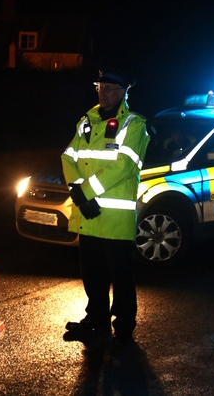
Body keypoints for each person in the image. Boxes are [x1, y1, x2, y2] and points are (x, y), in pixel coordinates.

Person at [61, 69, 150, 344]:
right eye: (101, 87)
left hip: (113, 217)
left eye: (112, 88)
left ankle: (124, 327)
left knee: (121, 277)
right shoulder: (86, 121)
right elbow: (69, 156)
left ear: (125, 92)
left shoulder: (134, 125)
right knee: (92, 274)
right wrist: (77, 193)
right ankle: (96, 320)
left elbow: (122, 166)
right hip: (88, 215)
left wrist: (84, 193)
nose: (105, 93)